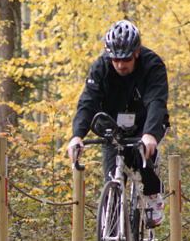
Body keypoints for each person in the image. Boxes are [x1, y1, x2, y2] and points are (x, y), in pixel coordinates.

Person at [66, 19, 169, 226]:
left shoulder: (152, 64)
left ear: (137, 53)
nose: (120, 65)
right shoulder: (101, 67)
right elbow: (88, 102)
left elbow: (156, 101)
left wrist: (149, 133)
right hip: (113, 127)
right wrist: (77, 136)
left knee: (144, 151)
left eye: (126, 59)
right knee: (112, 176)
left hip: (145, 123)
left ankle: (151, 194)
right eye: (115, 60)